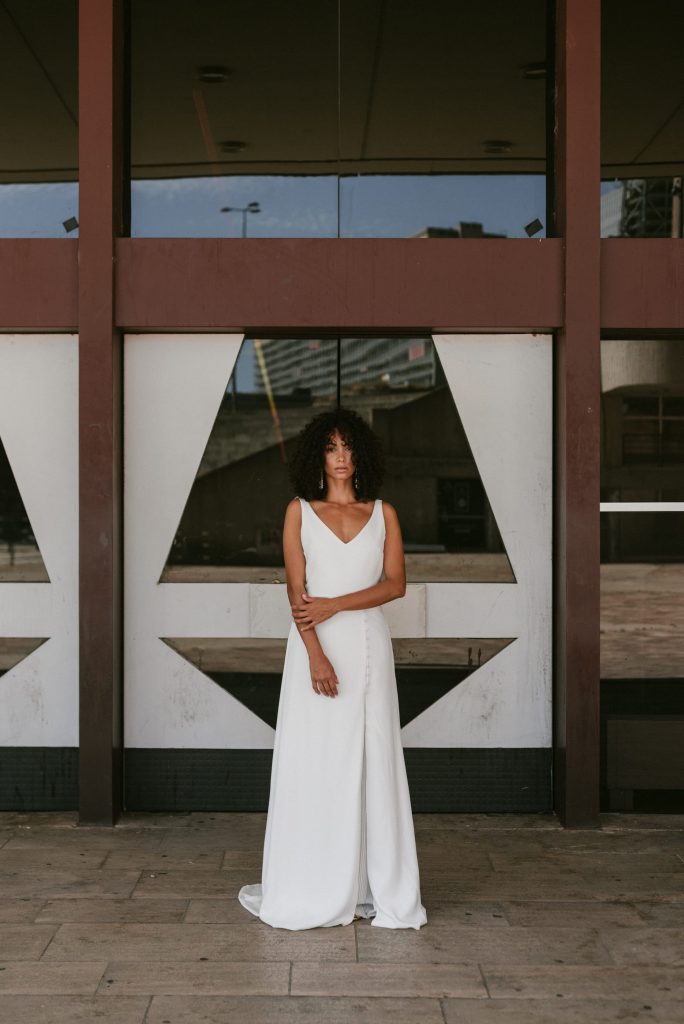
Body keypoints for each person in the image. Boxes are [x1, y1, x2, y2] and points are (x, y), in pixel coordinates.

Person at [238, 407, 427, 930]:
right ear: (317, 455)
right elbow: (298, 596)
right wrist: (315, 652)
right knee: (316, 760)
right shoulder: (299, 511)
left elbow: (395, 586)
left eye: (348, 448)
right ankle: (314, 883)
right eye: (331, 448)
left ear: (360, 454)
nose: (340, 458)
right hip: (315, 650)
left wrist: (336, 604)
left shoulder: (383, 512)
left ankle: (374, 886)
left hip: (368, 647)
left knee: (372, 761)